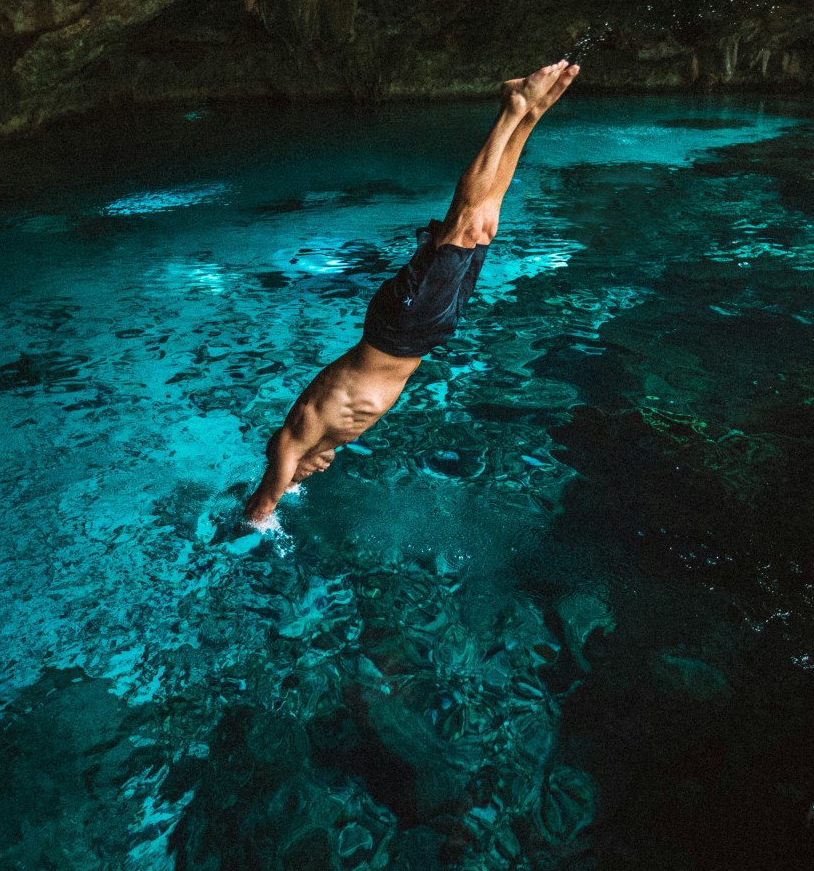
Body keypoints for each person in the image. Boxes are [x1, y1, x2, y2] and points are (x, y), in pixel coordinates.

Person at [242, 60, 580, 528]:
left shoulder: (292, 441)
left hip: (400, 328)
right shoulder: (321, 440)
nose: (312, 474)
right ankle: (531, 114)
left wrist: (263, 517)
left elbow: (262, 505)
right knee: (483, 227)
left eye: (301, 477)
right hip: (418, 332)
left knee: (463, 223)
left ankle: (512, 108)